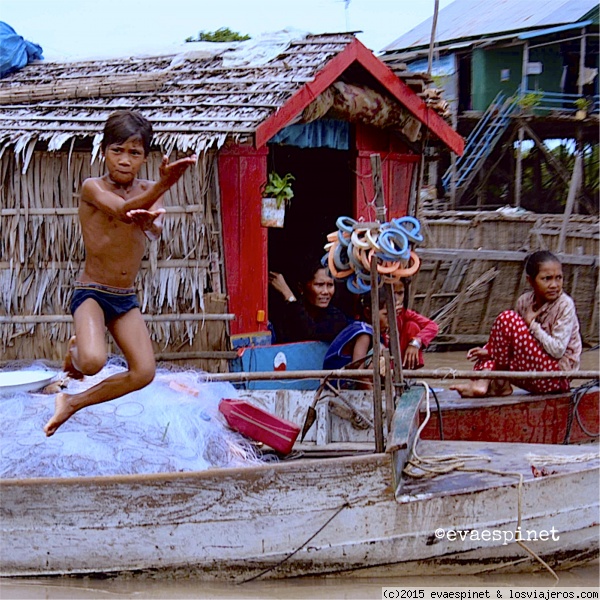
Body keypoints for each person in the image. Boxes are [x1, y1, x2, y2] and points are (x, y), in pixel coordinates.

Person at [44, 110, 197, 436]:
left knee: (144, 373)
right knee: (93, 363)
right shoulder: (92, 188)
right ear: (104, 151)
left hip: (124, 297)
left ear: (144, 157)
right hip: (92, 293)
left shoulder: (148, 190)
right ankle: (77, 351)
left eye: (134, 153)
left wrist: (152, 221)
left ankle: (71, 403)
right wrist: (163, 185)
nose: (125, 160)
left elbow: (153, 226)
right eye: (117, 151)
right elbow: (121, 209)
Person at [450, 251, 582, 398]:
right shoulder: (524, 302)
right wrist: (490, 351)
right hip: (531, 371)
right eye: (547, 279)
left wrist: (531, 325)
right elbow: (513, 343)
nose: (554, 285)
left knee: (508, 318)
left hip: (556, 377)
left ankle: (492, 382)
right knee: (496, 340)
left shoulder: (565, 305)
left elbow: (557, 350)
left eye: (559, 278)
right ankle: (495, 384)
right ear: (531, 281)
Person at [268, 260, 352, 344]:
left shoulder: (337, 318)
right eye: (319, 285)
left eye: (330, 285)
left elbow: (310, 334)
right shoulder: (285, 314)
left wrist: (289, 296)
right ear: (301, 288)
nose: (326, 291)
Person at [323, 294, 389, 372]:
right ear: (367, 313)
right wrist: (368, 384)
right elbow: (358, 371)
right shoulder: (364, 333)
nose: (390, 320)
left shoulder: (371, 331)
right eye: (386, 315)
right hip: (337, 380)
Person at [393, 278, 439, 370]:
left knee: (412, 326)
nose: (397, 298)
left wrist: (416, 342)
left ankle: (408, 368)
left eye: (400, 293)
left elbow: (432, 326)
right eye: (393, 293)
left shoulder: (405, 313)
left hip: (399, 358)